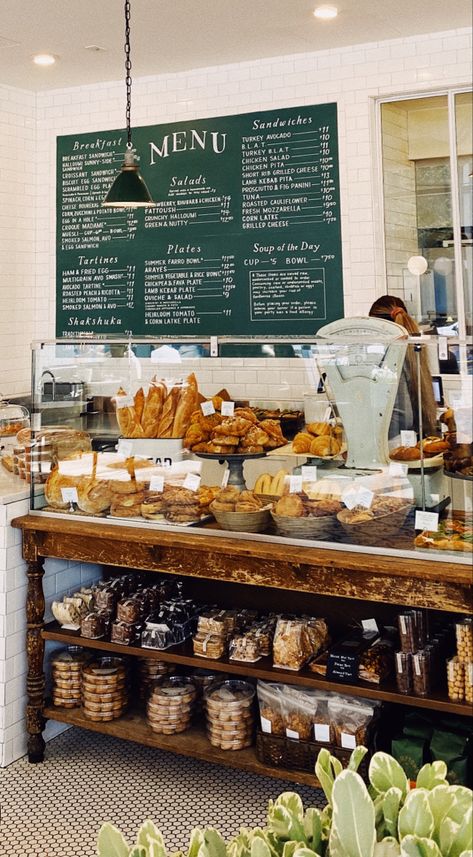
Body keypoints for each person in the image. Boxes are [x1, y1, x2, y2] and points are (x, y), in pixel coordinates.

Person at [369, 295, 438, 438]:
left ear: (377, 328)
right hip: (417, 440)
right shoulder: (413, 352)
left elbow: (402, 416)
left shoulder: (392, 360)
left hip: (397, 446)